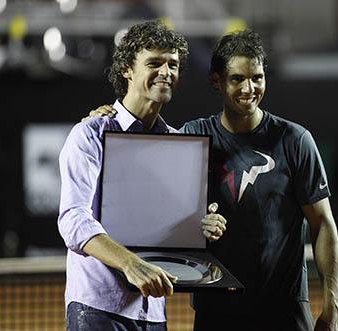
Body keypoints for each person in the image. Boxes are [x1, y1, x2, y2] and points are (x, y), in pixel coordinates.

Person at [89, 29, 338, 331]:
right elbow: (153, 196)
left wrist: (334, 305)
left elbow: (322, 223)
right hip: (216, 309)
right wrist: (105, 118)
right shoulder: (191, 138)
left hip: (284, 309)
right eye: (237, 79)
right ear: (216, 82)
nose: (249, 88)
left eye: (257, 77)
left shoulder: (295, 140)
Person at [58, 20, 226, 331]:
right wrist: (131, 264)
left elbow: (165, 222)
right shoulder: (89, 135)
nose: (166, 72)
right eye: (154, 62)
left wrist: (200, 224)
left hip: (154, 314)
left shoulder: (177, 143)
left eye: (173, 64)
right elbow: (72, 220)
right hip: (98, 310)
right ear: (127, 69)